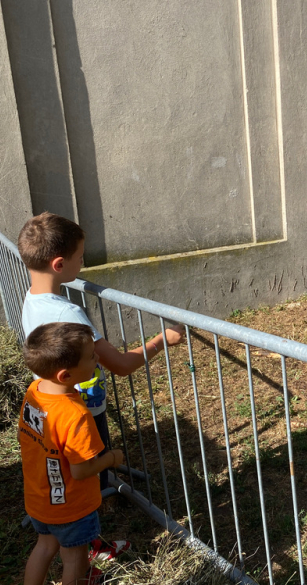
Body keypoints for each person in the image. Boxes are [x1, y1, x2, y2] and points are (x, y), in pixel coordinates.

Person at [17, 212, 184, 560]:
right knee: (85, 478)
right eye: (80, 258)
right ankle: (87, 546)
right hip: (82, 410)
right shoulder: (70, 315)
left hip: (49, 406)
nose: (83, 264)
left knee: (60, 474)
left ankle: (69, 534)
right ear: (60, 263)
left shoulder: (31, 299)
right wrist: (161, 341)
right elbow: (121, 365)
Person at [19, 322, 125, 585]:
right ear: (66, 375)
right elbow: (80, 470)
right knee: (75, 558)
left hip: (40, 498)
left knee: (44, 547)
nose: (97, 359)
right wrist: (110, 458)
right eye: (91, 357)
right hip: (71, 506)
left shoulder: (35, 391)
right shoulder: (75, 415)